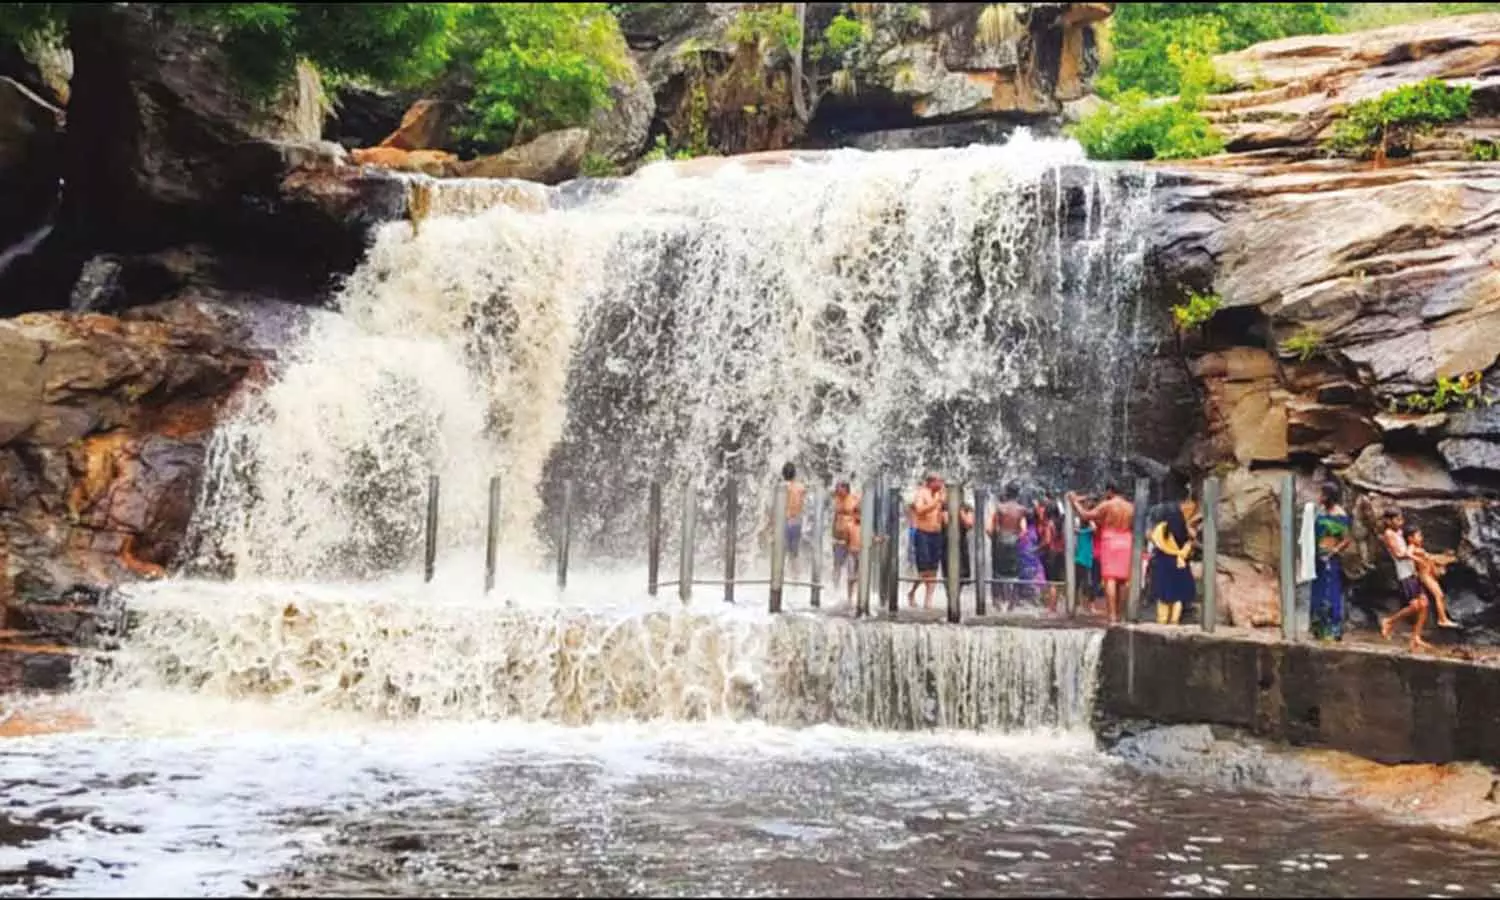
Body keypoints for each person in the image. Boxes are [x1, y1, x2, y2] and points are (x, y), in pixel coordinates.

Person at [1068, 485, 1135, 625]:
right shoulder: (1131, 507)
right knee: (1123, 580)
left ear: (1110, 491)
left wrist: (1074, 502)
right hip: (1127, 540)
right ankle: (1121, 615)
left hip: (1110, 540)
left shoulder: (1108, 505)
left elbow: (1085, 515)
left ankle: (1111, 617)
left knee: (1110, 578)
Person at [1379, 510, 1430, 652]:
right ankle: (1389, 621)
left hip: (1412, 573)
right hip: (1405, 574)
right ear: (1388, 521)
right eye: (1397, 520)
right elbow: (1399, 554)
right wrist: (1415, 557)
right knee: (1415, 606)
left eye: (1401, 519)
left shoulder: (1399, 532)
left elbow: (1410, 545)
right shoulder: (1389, 534)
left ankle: (1416, 637)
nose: (1400, 522)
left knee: (1424, 604)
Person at [1309, 483, 1352, 641]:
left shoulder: (1340, 515)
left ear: (1328, 496)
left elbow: (1346, 539)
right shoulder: (1320, 512)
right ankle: (1318, 628)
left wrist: (1335, 550)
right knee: (1318, 591)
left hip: (1331, 559)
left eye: (1321, 494)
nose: (1319, 497)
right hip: (1318, 558)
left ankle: (1333, 629)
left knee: (1330, 591)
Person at [1148, 493, 1197, 626]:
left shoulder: (1162, 528)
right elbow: (1192, 540)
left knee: (1163, 594)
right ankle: (1174, 620)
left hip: (1164, 563)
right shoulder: (1184, 529)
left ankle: (1162, 620)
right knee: (1178, 595)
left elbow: (1151, 537)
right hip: (1180, 563)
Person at [906, 473, 947, 609]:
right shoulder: (922, 493)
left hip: (937, 534)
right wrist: (935, 503)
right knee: (924, 570)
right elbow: (918, 509)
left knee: (933, 569)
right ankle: (912, 592)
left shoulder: (941, 494)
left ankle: (928, 601)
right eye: (938, 481)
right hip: (923, 533)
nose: (941, 483)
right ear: (930, 482)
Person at [1408, 526, 1459, 630]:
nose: (1421, 538)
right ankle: (1442, 619)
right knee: (1438, 595)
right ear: (1410, 538)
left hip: (1428, 575)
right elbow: (1408, 553)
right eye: (1418, 536)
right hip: (1425, 576)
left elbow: (1430, 557)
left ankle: (1443, 618)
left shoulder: (1419, 549)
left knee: (1440, 595)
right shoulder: (1413, 547)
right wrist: (1419, 560)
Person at [987, 483, 1026, 609]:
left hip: (1001, 540)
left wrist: (994, 539)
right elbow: (1023, 530)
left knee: (998, 571)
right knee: (1014, 572)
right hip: (1013, 540)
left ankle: (997, 602)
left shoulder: (1000, 508)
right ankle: (1012, 603)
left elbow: (996, 527)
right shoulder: (1021, 509)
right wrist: (1017, 538)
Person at [940, 501, 976, 604]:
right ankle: (950, 598)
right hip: (947, 543)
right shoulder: (944, 506)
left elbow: (969, 524)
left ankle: (956, 597)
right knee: (948, 572)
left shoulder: (967, 508)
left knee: (963, 573)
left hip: (961, 543)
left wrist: (960, 512)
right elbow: (947, 523)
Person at [831, 480, 861, 592]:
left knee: (853, 567)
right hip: (839, 537)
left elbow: (860, 515)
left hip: (851, 538)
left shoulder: (854, 499)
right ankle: (835, 588)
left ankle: (853, 592)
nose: (837, 490)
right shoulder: (837, 500)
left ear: (845, 489)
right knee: (837, 564)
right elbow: (835, 517)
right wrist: (833, 533)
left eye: (839, 488)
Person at [781, 462, 807, 576]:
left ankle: (780, 576)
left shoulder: (781, 487)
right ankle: (795, 577)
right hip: (796, 521)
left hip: (785, 521)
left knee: (782, 551)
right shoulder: (801, 487)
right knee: (794, 553)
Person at [1075, 514, 1101, 615]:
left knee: (1081, 584)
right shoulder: (1086, 532)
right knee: (1086, 584)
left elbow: (1093, 528)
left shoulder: (1082, 532)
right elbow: (1094, 527)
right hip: (1084, 560)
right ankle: (1085, 606)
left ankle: (1080, 605)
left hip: (1083, 560)